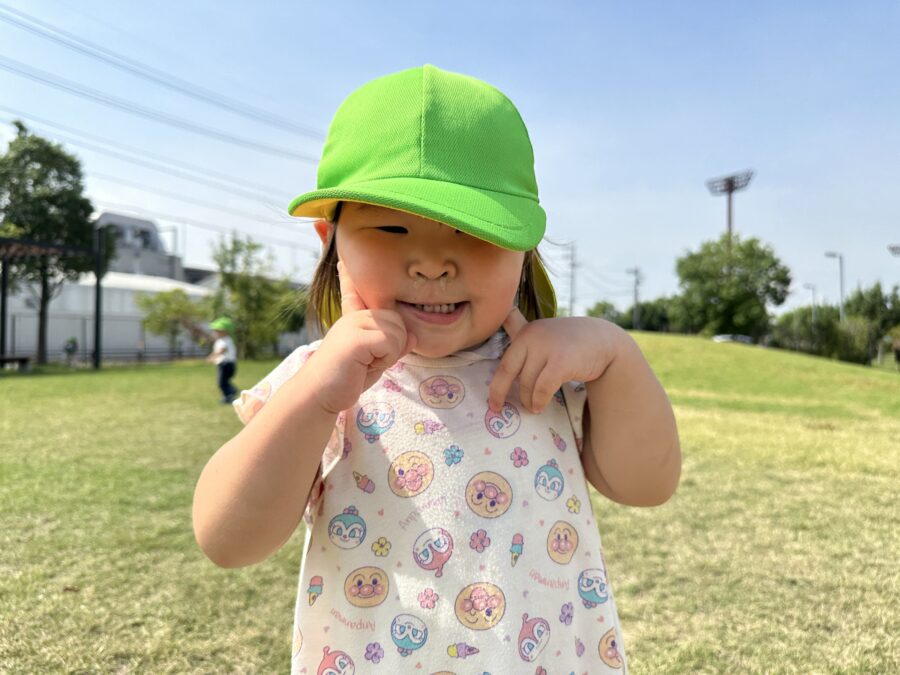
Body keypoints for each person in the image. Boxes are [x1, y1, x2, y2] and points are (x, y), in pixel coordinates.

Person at [192, 65, 681, 674]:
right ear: (330, 240)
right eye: (391, 227)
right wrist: (313, 399)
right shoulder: (322, 380)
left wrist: (617, 358)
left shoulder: (552, 369)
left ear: (523, 247)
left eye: (470, 231)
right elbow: (227, 540)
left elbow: (647, 485)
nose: (430, 262)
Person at [206, 316, 237, 403]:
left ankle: (229, 395)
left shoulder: (225, 340)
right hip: (227, 364)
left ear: (224, 331)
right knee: (225, 382)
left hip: (226, 364)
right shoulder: (223, 340)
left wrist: (212, 357)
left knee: (221, 383)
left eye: (217, 331)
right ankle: (231, 392)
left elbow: (222, 350)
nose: (215, 333)